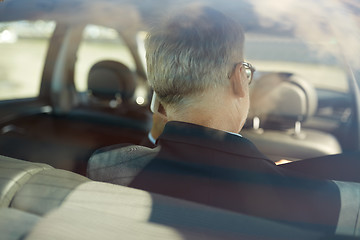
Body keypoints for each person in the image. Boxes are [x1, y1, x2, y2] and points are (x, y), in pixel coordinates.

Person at [126, 5, 344, 233]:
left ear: (158, 96)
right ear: (240, 78)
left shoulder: (105, 168)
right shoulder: (308, 198)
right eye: (247, 71)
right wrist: (278, 174)